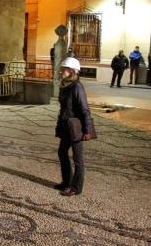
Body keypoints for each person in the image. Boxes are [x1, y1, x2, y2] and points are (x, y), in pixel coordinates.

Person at [55, 57, 96, 197]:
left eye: (63, 70)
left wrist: (88, 130)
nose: (61, 72)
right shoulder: (65, 85)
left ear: (72, 71)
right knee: (62, 152)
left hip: (76, 127)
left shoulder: (77, 87)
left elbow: (85, 109)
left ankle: (76, 188)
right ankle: (66, 182)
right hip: (66, 125)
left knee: (78, 158)